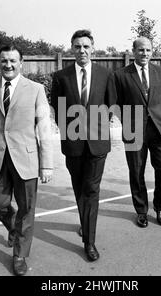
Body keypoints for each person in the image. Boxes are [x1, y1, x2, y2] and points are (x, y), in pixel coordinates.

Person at [0, 44, 53, 276]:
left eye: (12, 61)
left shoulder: (36, 89)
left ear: (21, 63)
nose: (8, 65)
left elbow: (44, 130)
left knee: (27, 208)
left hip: (26, 159)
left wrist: (46, 163)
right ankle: (15, 228)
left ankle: (19, 255)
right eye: (4, 61)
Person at [51, 29, 116, 261]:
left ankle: (89, 241)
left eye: (86, 46)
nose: (82, 51)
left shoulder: (105, 74)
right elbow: (58, 108)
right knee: (79, 188)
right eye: (77, 47)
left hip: (98, 145)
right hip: (73, 144)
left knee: (91, 189)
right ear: (72, 49)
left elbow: (110, 105)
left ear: (93, 48)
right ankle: (85, 221)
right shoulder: (61, 76)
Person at [113, 37, 161, 228]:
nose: (144, 53)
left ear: (152, 51)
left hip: (158, 129)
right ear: (133, 51)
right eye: (140, 50)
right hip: (134, 130)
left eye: (148, 50)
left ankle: (160, 207)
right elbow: (117, 104)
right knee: (136, 172)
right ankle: (141, 211)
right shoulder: (121, 75)